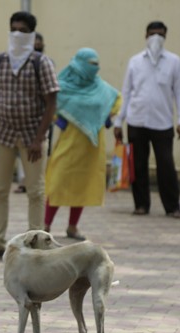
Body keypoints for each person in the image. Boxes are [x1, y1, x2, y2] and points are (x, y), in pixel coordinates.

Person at [0, 11, 59, 259]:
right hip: (1, 131)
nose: (17, 34)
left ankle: (36, 242)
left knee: (36, 190)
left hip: (33, 135)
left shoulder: (41, 63)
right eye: (14, 29)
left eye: (22, 30)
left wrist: (39, 137)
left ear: (31, 34)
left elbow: (51, 102)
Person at [113, 21, 180, 218]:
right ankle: (141, 205)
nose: (156, 38)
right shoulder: (135, 61)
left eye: (160, 34)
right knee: (138, 165)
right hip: (136, 120)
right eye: (153, 34)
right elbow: (126, 92)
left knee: (166, 165)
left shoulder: (174, 61)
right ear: (145, 35)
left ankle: (173, 206)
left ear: (165, 37)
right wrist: (118, 121)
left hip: (162, 122)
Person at [44, 48, 121, 240]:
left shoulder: (102, 88)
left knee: (82, 186)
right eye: (90, 63)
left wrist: (107, 118)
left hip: (92, 146)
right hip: (68, 144)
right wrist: (58, 118)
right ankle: (45, 225)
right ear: (78, 63)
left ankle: (72, 227)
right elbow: (50, 105)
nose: (94, 68)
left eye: (97, 64)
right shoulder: (62, 86)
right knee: (57, 183)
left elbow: (116, 100)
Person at [13, 31, 51, 194]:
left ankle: (37, 181)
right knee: (21, 156)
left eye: (39, 43)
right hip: (19, 120)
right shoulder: (16, 63)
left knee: (40, 154)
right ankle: (23, 182)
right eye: (34, 43)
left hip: (42, 119)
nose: (37, 46)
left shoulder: (47, 63)